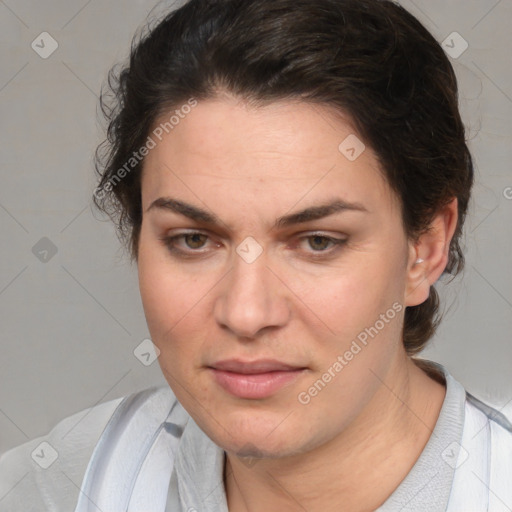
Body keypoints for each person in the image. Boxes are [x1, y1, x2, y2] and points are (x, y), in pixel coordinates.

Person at [1, 0, 511, 510]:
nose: (246, 314)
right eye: (194, 240)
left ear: (425, 248)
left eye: (317, 241)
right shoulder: (60, 488)